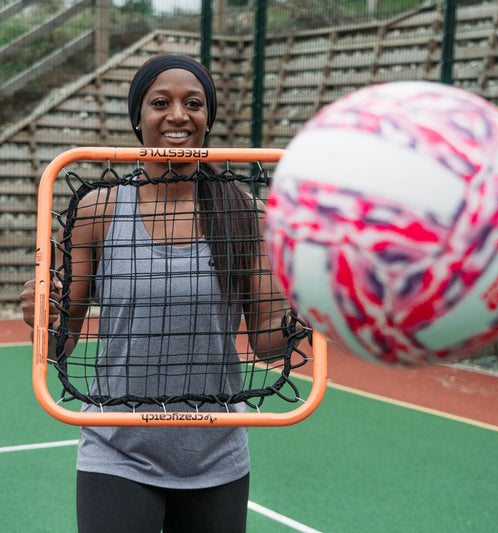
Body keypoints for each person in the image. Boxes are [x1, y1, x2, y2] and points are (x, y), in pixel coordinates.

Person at [20, 54, 295, 533]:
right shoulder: (98, 210)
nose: (177, 115)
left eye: (193, 103)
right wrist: (42, 317)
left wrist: (310, 313)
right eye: (160, 103)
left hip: (217, 452)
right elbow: (60, 344)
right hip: (117, 449)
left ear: (207, 120)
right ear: (139, 118)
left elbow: (269, 345)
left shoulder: (244, 212)